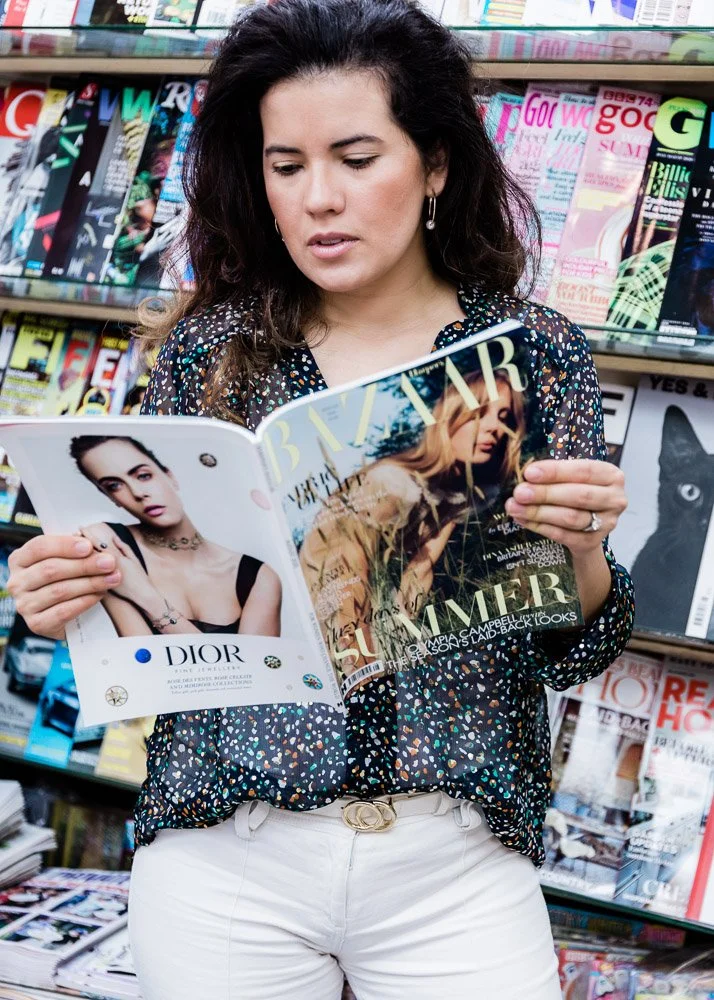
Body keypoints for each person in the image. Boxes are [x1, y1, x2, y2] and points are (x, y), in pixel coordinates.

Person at [6, 1, 633, 997]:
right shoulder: (212, 354)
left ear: (434, 165)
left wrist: (584, 554)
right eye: (286, 166)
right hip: (228, 852)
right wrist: (65, 596)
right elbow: (153, 647)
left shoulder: (534, 354)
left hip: (455, 860)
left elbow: (581, 642)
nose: (317, 200)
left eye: (355, 157)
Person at [300, 369, 528, 674]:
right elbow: (343, 574)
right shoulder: (391, 483)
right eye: (479, 412)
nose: (495, 428)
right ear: (449, 416)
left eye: (505, 417)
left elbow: (418, 576)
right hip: (339, 644)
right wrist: (360, 665)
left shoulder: (465, 496)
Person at [68, 434, 282, 638]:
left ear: (169, 476)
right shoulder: (109, 544)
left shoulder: (259, 577)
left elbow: (258, 671)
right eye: (114, 486)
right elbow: (147, 663)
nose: (137, 492)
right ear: (110, 497)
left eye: (143, 475)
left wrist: (145, 595)